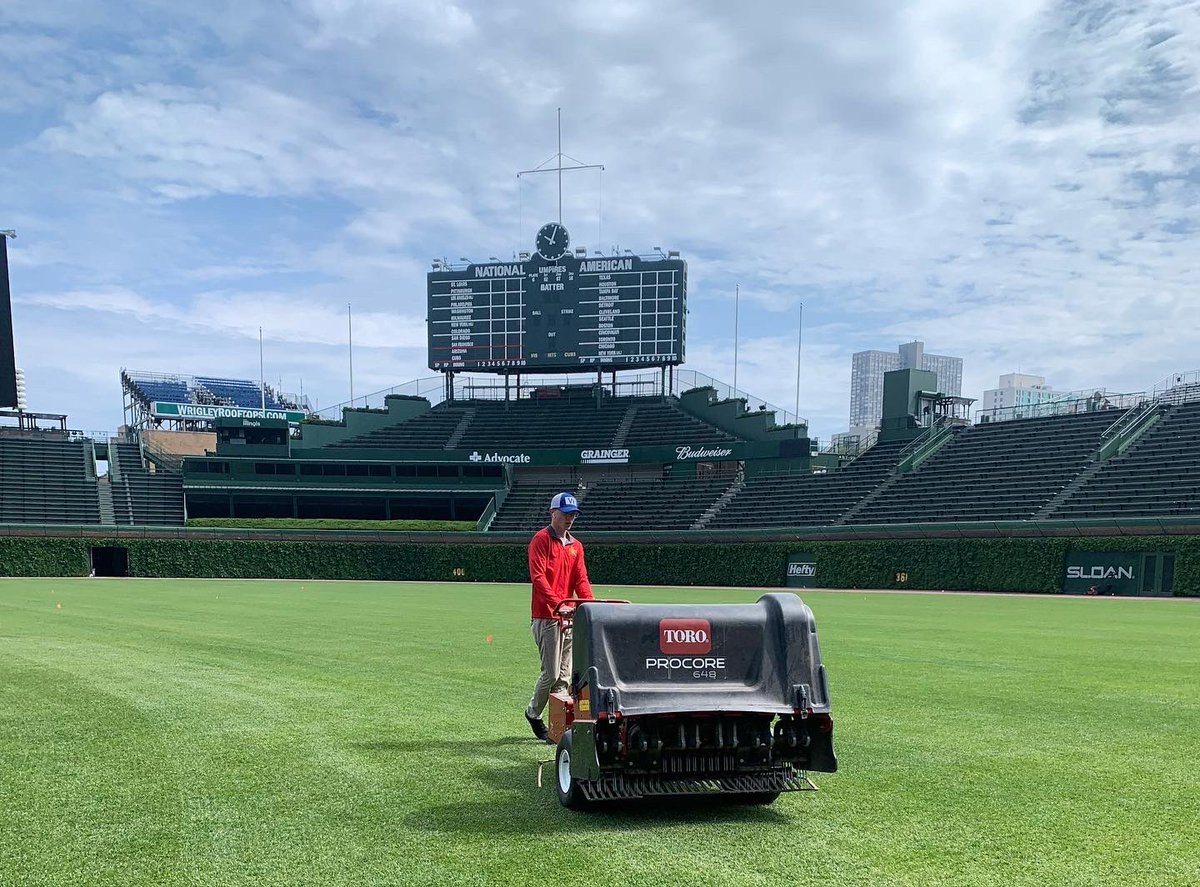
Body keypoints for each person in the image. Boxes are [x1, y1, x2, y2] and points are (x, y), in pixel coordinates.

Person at [524, 491, 594, 742]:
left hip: (568, 616)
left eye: (573, 515)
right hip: (546, 616)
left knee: (565, 676)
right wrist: (559, 604)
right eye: (565, 514)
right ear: (553, 513)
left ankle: (558, 729)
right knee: (551, 674)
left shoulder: (576, 546)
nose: (570, 519)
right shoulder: (541, 540)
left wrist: (589, 606)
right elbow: (539, 577)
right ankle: (533, 713)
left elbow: (581, 580)